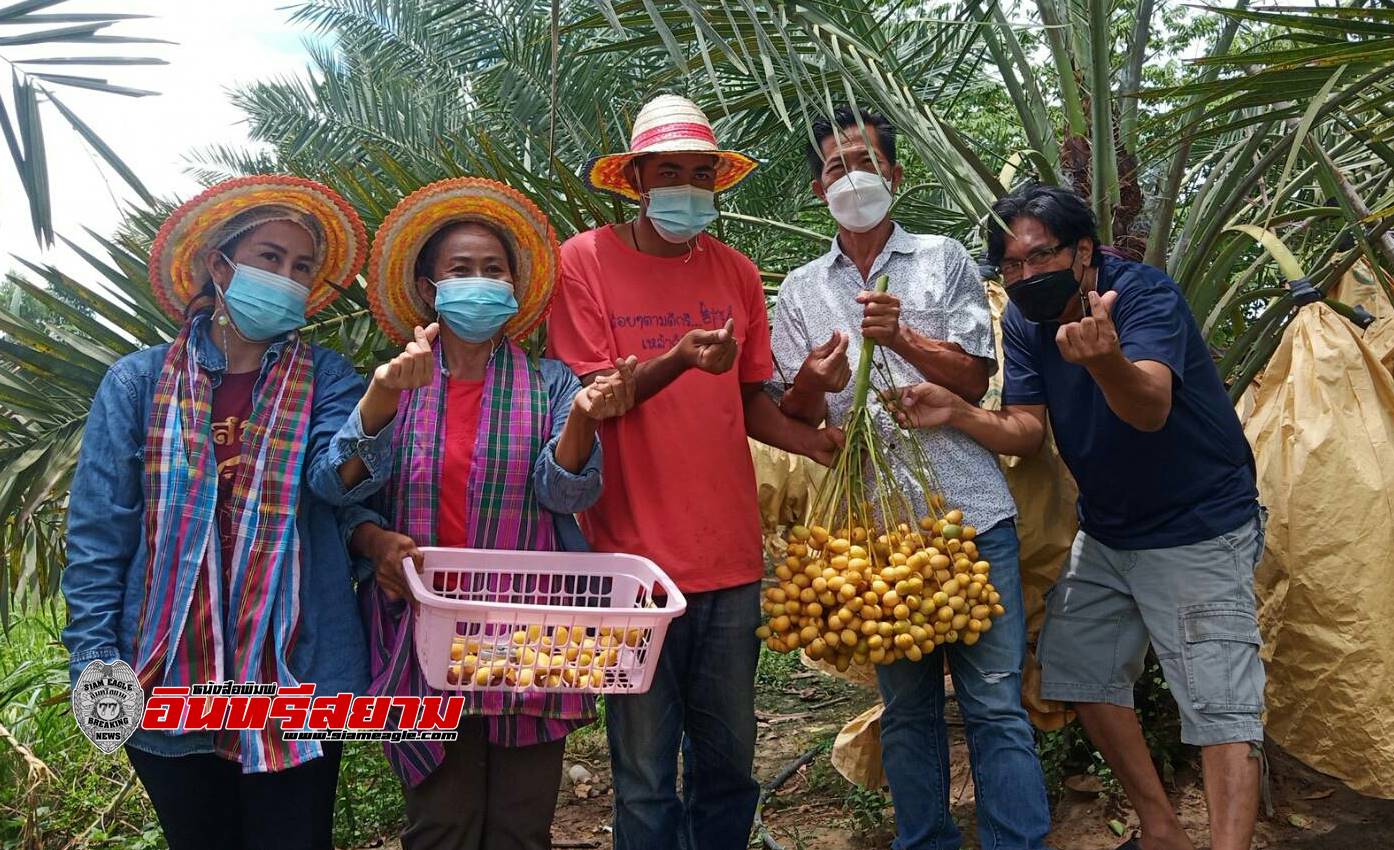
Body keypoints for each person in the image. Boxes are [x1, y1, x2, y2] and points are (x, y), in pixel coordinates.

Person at [894, 184, 1266, 850]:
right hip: (1109, 528)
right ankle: (1160, 829)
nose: (1025, 276)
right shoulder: (1025, 321)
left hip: (1197, 525)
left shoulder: (1145, 296)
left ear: (1085, 250)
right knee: (1080, 671)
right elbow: (1028, 432)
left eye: (1040, 258)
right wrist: (956, 412)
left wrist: (1106, 361)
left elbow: (1149, 407)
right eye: (1010, 266)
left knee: (1219, 709)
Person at [547, 94, 843, 849]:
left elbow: (749, 402)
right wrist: (678, 358)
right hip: (630, 564)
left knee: (730, 762)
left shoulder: (737, 273)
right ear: (637, 179)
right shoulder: (582, 263)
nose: (687, 187)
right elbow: (599, 401)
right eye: (669, 171)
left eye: (701, 174)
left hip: (730, 558)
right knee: (644, 775)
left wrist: (809, 441)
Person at [61, 175, 387, 850]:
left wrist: (379, 404)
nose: (288, 277)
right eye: (270, 257)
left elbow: (335, 483)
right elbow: (100, 534)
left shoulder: (330, 377)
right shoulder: (138, 382)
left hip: (297, 668)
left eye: (301, 267)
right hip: (165, 671)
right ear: (220, 265)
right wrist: (95, 662)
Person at [768, 106, 1052, 850]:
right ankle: (922, 841)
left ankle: (1016, 843)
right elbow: (794, 408)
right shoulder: (799, 289)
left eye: (865, 162)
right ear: (817, 188)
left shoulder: (942, 257)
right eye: (835, 167)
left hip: (969, 516)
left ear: (893, 175)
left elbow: (974, 372)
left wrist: (903, 337)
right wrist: (809, 379)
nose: (851, 176)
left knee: (994, 707)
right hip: (873, 538)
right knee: (909, 711)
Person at [326, 177, 637, 850]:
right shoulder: (396, 380)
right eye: (460, 270)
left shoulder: (549, 382)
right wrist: (377, 542)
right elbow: (342, 494)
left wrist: (582, 420)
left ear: (515, 286)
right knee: (442, 821)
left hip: (529, 628)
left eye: (493, 269)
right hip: (422, 625)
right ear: (429, 287)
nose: (478, 281)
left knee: (523, 824)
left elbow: (567, 495)